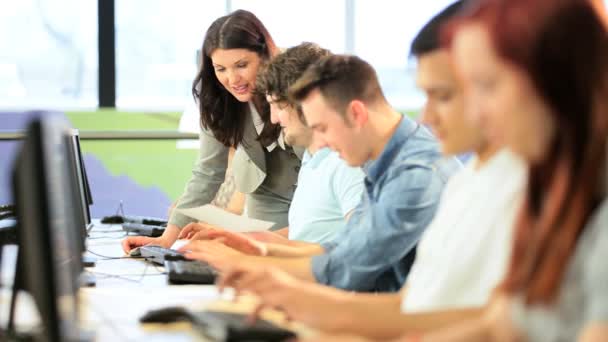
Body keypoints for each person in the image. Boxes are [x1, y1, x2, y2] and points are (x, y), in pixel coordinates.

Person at [203, 2, 527, 339]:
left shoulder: (419, 172)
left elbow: (351, 269)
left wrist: (265, 273)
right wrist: (262, 258)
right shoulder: (422, 169)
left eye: (442, 95)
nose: (428, 116)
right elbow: (351, 252)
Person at [180, 54, 461, 292]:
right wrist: (258, 249)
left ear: (356, 114)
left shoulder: (414, 173)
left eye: (322, 129)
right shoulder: (384, 160)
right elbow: (345, 247)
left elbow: (352, 268)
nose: (321, 143)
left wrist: (246, 265)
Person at [421, 0, 608, 340]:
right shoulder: (550, 188)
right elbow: (501, 326)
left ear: (557, 78)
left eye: (488, 86)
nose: (475, 114)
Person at [121, 10, 304, 253]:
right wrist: (166, 240)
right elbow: (207, 174)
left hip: (304, 220)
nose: (232, 79)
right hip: (264, 222)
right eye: (221, 69)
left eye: (242, 65)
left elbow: (320, 171)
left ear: (265, 56)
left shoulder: (297, 86)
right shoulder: (218, 101)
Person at [178, 42, 365, 245]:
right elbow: (304, 234)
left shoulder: (347, 164)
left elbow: (359, 251)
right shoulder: (312, 160)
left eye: (279, 106)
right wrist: (233, 239)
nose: (274, 119)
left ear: (308, 103)